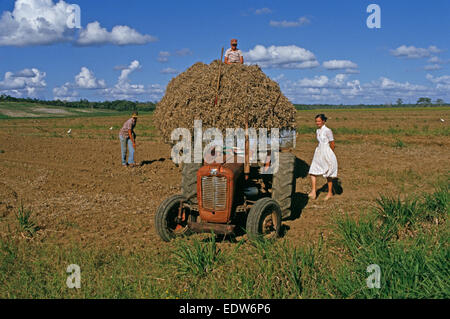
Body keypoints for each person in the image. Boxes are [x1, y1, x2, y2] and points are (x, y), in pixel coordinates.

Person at [308, 114, 338, 201]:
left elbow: (332, 143)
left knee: (328, 173)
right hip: (318, 152)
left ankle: (330, 193)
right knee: (313, 171)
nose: (317, 123)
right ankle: (313, 192)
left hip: (326, 152)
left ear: (323, 121)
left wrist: (329, 153)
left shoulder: (328, 131)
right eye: (316, 121)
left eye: (319, 121)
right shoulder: (318, 131)